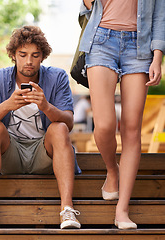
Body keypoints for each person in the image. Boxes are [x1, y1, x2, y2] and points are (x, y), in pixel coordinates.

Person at [0, 26, 81, 229]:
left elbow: (68, 122)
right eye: (23, 55)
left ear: (43, 57)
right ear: (14, 55)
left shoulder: (57, 77)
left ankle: (67, 209)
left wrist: (46, 107)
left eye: (35, 55)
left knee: (59, 128)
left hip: (44, 154)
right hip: (10, 154)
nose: (29, 61)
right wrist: (8, 104)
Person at [79, 0, 165, 229]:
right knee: (105, 125)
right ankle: (111, 170)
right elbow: (86, 7)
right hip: (100, 41)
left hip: (140, 46)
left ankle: (122, 210)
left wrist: (158, 56)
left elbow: (159, 16)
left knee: (131, 129)